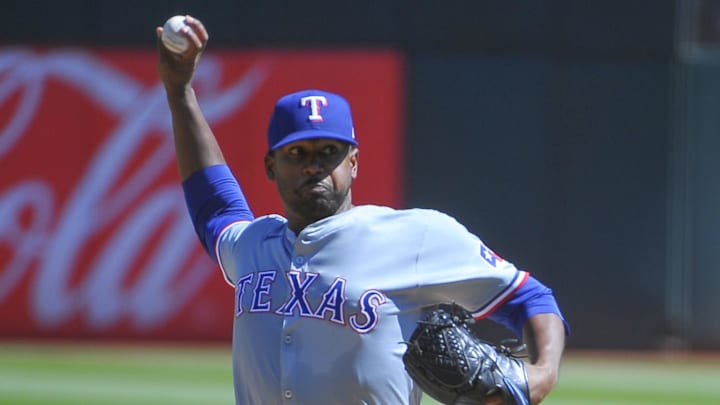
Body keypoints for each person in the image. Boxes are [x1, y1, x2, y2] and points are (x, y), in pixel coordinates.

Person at [156, 15, 568, 405]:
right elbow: (214, 204)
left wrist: (541, 375)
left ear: (353, 162)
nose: (314, 165)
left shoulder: (415, 236)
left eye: (329, 152)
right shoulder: (253, 245)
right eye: (297, 153)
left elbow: (528, 297)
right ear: (270, 166)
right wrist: (180, 93)